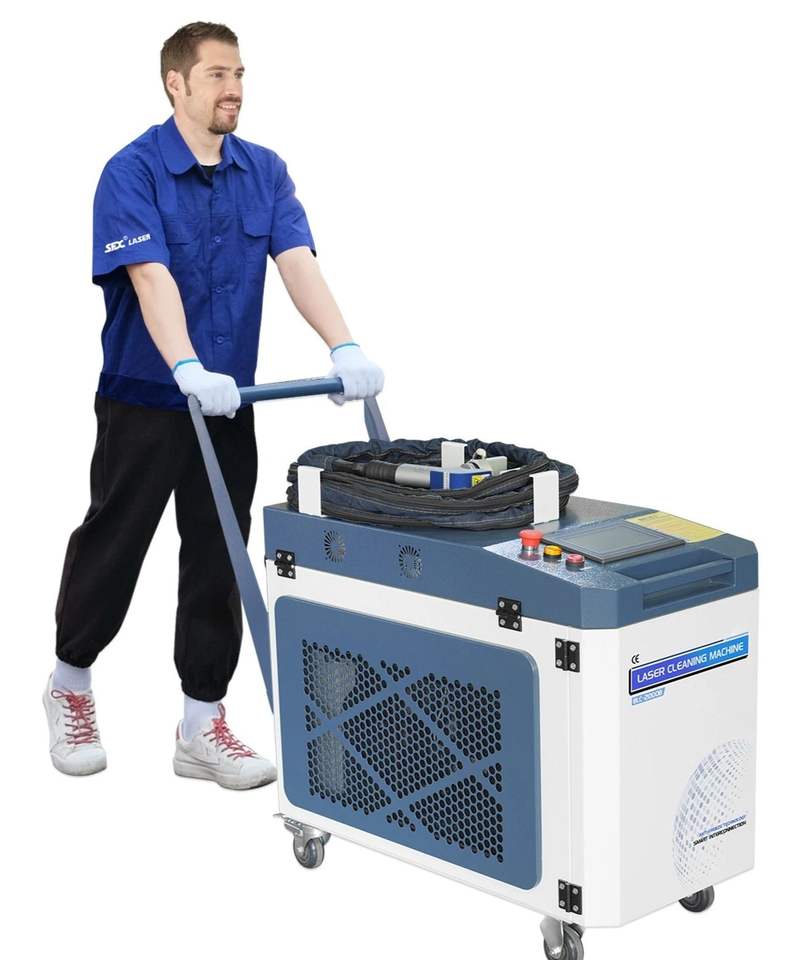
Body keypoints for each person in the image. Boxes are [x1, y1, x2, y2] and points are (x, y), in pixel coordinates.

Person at [44, 21, 383, 788]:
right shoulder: (132, 171)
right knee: (115, 543)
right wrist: (186, 364)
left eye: (240, 75)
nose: (234, 89)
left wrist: (344, 347)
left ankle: (201, 723)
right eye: (217, 75)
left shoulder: (264, 170)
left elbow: (295, 260)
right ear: (177, 83)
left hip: (228, 402)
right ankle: (69, 683)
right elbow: (148, 276)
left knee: (219, 554)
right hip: (145, 397)